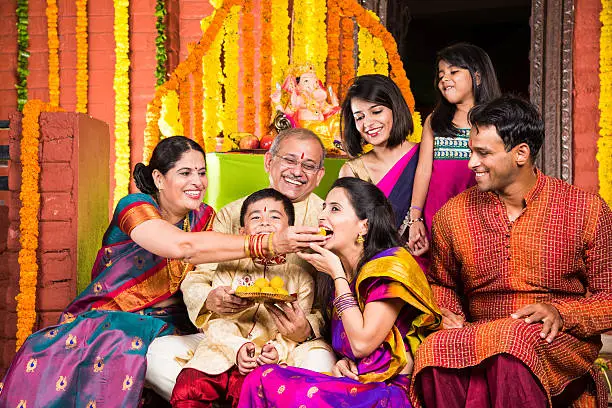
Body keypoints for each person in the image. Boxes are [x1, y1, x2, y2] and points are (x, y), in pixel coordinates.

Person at [0, 136, 323, 407]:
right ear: (158, 178)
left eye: (201, 172)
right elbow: (183, 248)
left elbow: (213, 268)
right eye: (184, 173)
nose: (196, 182)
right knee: (142, 355)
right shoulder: (136, 207)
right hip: (116, 316)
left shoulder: (206, 217)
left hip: (177, 323)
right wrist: (267, 245)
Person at [412, 96, 612, 407]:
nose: (471, 164)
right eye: (471, 152)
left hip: (556, 339)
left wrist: (561, 312)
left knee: (511, 343)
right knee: (435, 351)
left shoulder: (585, 210)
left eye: (483, 153)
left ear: (521, 153)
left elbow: (609, 298)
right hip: (478, 333)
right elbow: (443, 283)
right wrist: (447, 313)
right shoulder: (453, 215)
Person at [145, 128, 336, 400]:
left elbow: (336, 295)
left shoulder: (326, 220)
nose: (297, 171)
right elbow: (199, 276)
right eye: (289, 161)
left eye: (308, 165)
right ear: (269, 161)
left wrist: (308, 329)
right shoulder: (233, 214)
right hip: (229, 337)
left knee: (320, 367)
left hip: (291, 344)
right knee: (154, 354)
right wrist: (210, 299)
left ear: (319, 175)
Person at [237, 177, 441, 408]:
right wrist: (343, 361)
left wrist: (337, 274)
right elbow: (352, 350)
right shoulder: (340, 273)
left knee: (299, 396)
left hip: (387, 392)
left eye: (335, 209)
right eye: (323, 207)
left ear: (364, 225)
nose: (322, 216)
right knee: (259, 379)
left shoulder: (390, 265)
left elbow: (363, 343)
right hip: (357, 383)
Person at [171, 188, 319, 407]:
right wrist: (237, 346)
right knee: (188, 388)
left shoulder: (301, 278)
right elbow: (215, 322)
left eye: (275, 217)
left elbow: (297, 328)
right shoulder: (228, 268)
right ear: (242, 232)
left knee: (251, 395)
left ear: (290, 230)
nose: (265, 223)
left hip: (264, 362)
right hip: (219, 353)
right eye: (256, 217)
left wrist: (277, 351)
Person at [407, 43, 501, 257]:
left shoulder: (496, 121)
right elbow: (423, 170)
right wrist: (415, 218)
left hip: (481, 218)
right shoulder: (435, 121)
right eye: (441, 75)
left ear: (477, 77)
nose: (444, 79)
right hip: (436, 217)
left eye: (453, 72)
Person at [338, 75, 420, 244]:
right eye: (359, 117)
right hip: (378, 264)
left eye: (376, 112)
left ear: (395, 108)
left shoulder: (424, 155)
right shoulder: (353, 171)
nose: (368, 123)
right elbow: (348, 234)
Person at [271, 62, 341, 151]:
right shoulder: (298, 99)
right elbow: (286, 117)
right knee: (321, 129)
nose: (312, 85)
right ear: (298, 85)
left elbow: (327, 111)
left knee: (337, 122)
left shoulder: (318, 99)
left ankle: (337, 146)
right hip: (307, 126)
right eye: (306, 81)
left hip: (321, 124)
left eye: (315, 81)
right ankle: (327, 147)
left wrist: (335, 106)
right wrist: (277, 102)